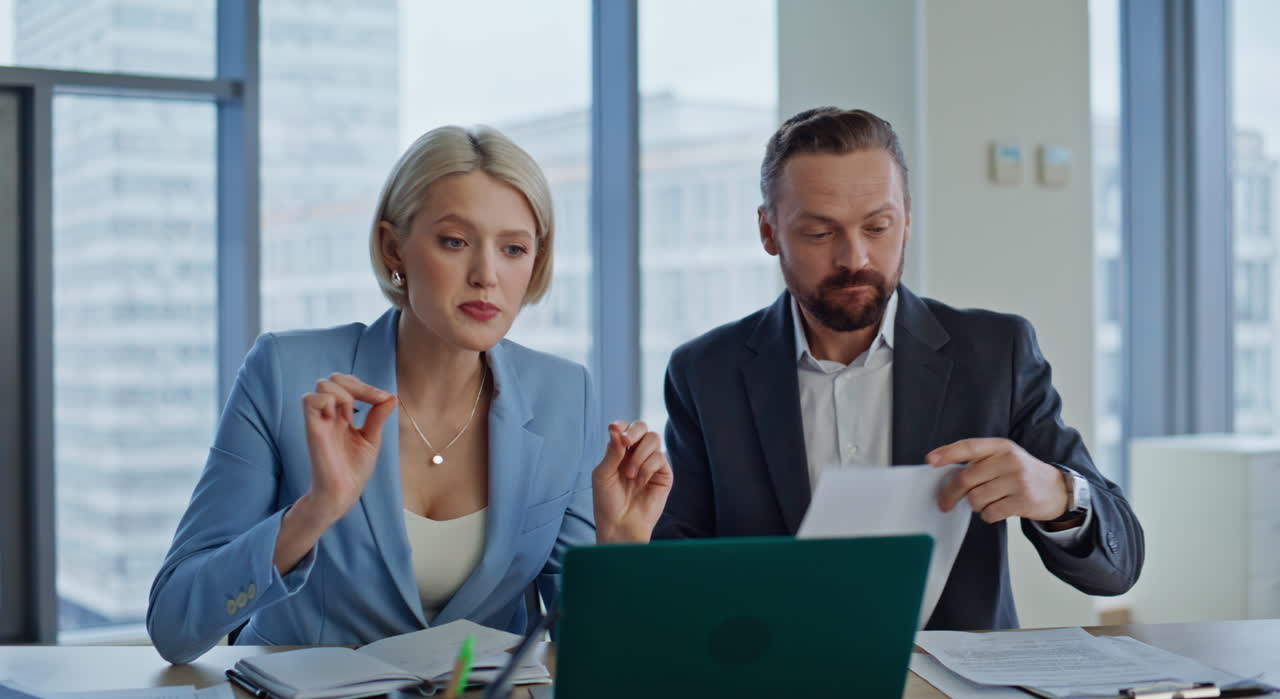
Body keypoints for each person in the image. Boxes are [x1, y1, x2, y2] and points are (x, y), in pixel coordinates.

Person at [148, 126, 672, 664]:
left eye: (513, 249)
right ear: (392, 245)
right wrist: (315, 511)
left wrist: (620, 549)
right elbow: (174, 625)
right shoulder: (284, 372)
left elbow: (588, 653)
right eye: (455, 242)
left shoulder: (565, 394)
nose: (486, 275)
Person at [655, 107, 1143, 630]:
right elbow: (676, 570)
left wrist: (1058, 495)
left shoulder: (996, 353)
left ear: (906, 219)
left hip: (956, 696)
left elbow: (1118, 570)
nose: (855, 257)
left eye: (878, 226)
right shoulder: (705, 373)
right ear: (768, 230)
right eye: (820, 233)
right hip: (776, 686)